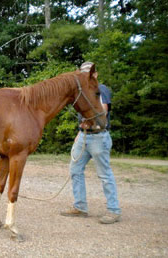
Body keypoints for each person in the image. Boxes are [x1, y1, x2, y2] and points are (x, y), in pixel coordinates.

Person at [60, 62, 121, 224]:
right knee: (75, 170)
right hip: (84, 136)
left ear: (95, 74)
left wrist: (88, 121)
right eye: (83, 74)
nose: (86, 76)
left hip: (99, 137)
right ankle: (80, 207)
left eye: (88, 73)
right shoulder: (82, 92)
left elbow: (103, 109)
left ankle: (114, 210)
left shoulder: (101, 89)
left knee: (104, 174)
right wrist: (79, 134)